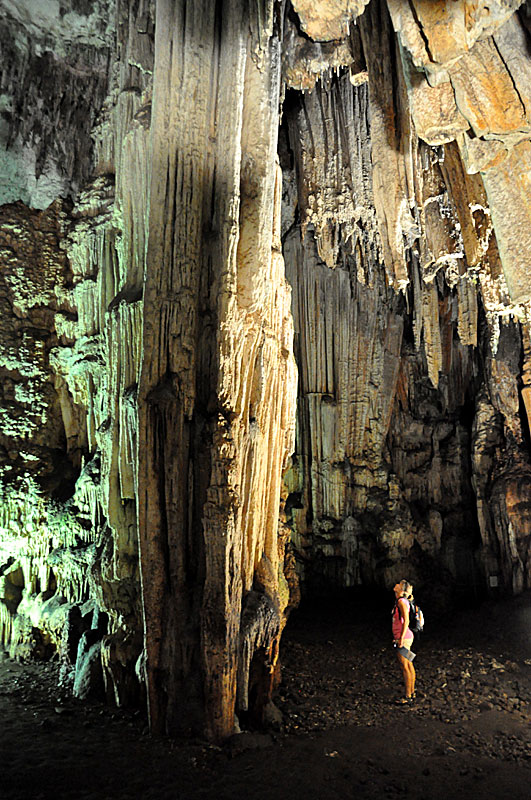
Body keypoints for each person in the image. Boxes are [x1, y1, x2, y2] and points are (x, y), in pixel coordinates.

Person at [392, 580, 416, 704]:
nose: (395, 585)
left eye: (398, 584)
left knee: (405, 666)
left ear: (401, 589)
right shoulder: (402, 601)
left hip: (404, 637)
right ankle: (412, 693)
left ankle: (408, 697)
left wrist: (400, 638)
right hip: (405, 637)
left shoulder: (401, 601)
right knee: (409, 664)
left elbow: (406, 620)